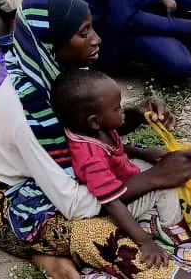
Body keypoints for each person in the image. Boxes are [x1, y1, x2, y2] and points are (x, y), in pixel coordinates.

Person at [0, 0, 191, 279]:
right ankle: (174, 274)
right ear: (51, 45)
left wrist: (136, 116)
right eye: (83, 33)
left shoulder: (54, 73)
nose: (97, 38)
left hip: (58, 180)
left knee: (171, 174)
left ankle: (56, 256)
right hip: (11, 201)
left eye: (92, 27)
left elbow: (89, 131)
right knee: (97, 233)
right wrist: (156, 178)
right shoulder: (27, 110)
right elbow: (75, 204)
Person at [51, 68, 182, 270]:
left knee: (160, 165)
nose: (122, 111)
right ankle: (172, 229)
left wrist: (140, 152)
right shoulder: (90, 158)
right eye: (117, 108)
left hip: (121, 177)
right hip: (117, 205)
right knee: (168, 186)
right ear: (94, 121)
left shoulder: (90, 130)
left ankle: (154, 216)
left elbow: (116, 151)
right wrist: (145, 242)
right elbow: (112, 203)